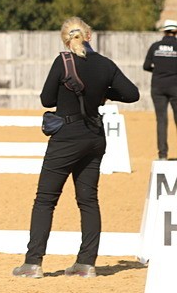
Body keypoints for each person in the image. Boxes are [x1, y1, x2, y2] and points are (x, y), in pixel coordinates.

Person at [12, 17, 139, 279]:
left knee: (45, 200)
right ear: (89, 35)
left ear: (66, 40)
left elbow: (46, 99)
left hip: (66, 138)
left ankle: (33, 263)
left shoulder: (63, 62)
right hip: (94, 137)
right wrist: (104, 92)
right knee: (88, 200)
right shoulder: (105, 64)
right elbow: (132, 94)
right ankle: (86, 263)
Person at [143, 19, 177, 159]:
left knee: (161, 121)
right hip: (175, 86)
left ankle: (162, 154)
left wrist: (159, 72)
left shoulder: (155, 46)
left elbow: (146, 66)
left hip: (157, 86)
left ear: (164, 31)